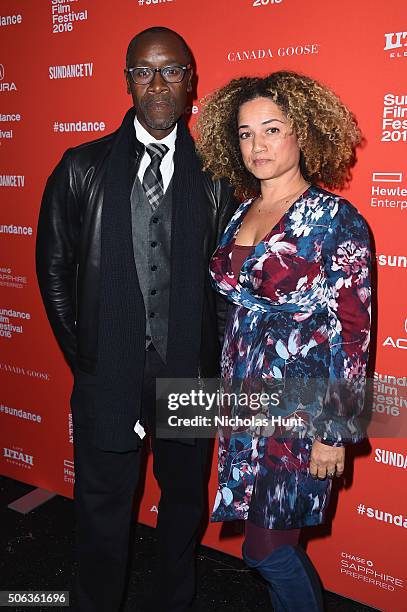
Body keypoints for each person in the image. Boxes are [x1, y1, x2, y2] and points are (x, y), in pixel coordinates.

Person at [36, 27, 236, 612]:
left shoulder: (219, 179)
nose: (157, 83)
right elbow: (54, 270)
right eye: (144, 71)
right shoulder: (81, 167)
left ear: (190, 80)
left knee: (182, 514)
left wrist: (213, 366)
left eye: (170, 70)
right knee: (100, 519)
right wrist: (89, 358)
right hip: (108, 376)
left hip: (189, 378)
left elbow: (228, 287)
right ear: (127, 81)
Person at [196, 72, 371, 611]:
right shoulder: (240, 213)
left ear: (306, 133)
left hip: (302, 408)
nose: (258, 145)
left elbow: (355, 333)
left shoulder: (335, 221)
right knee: (270, 542)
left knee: (266, 549)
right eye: (246, 133)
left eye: (272, 129)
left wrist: (334, 432)